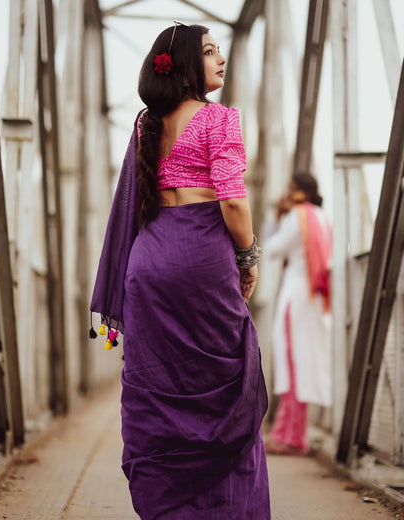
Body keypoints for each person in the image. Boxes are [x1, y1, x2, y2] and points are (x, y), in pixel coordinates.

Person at [90, 22, 271, 520]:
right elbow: (233, 203)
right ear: (188, 63)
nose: (221, 59)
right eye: (209, 52)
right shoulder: (219, 120)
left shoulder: (147, 124)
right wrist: (250, 257)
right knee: (225, 388)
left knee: (159, 384)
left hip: (148, 263)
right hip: (201, 260)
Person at [264, 172, 332, 455]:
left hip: (296, 296)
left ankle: (290, 436)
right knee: (303, 363)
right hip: (316, 298)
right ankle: (292, 434)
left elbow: (272, 249)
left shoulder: (296, 217)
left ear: (298, 192)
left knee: (292, 363)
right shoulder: (324, 218)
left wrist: (276, 219)